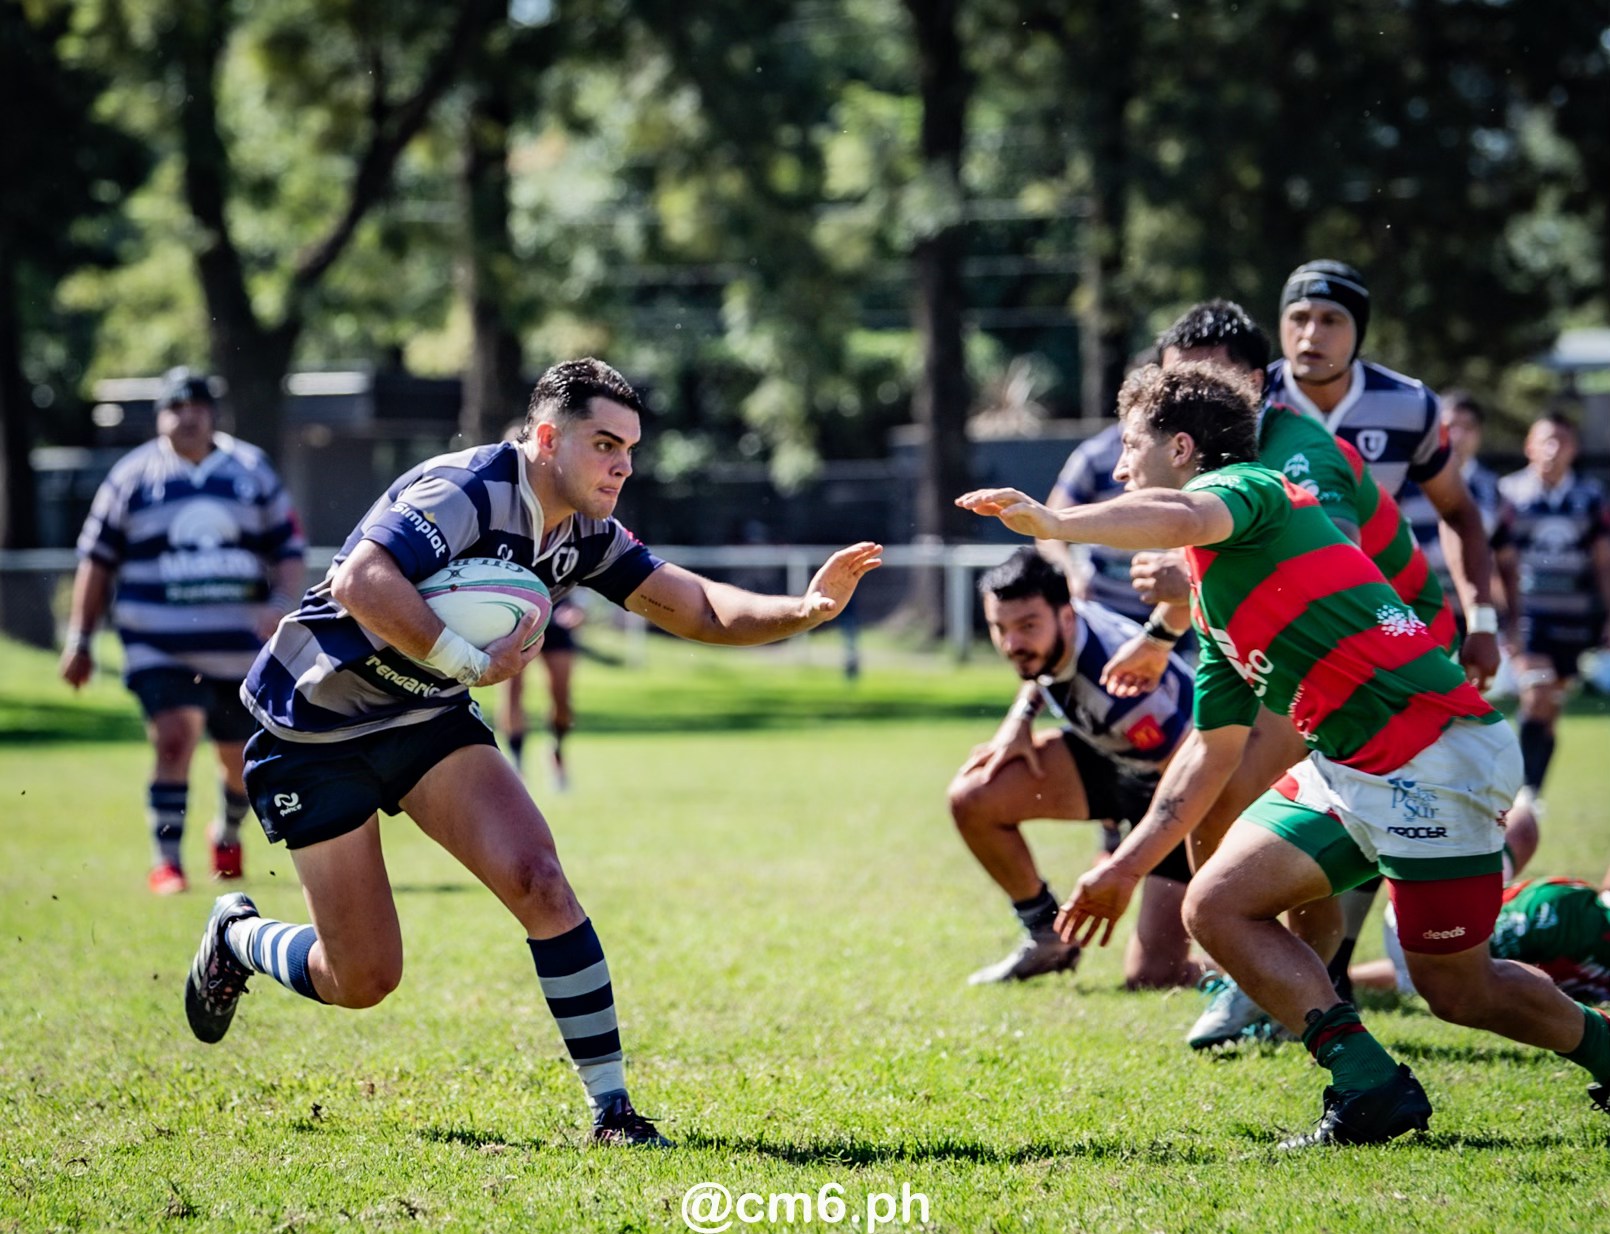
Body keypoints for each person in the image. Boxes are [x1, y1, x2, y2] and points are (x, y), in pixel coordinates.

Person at [183, 358, 881, 1146]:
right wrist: (467, 662)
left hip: (425, 719)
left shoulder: (583, 528)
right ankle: (237, 937)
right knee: (364, 978)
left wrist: (806, 608)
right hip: (312, 727)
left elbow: (697, 609)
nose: (622, 464)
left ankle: (613, 1113)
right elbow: (360, 581)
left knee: (540, 880)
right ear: (547, 437)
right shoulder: (466, 489)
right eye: (604, 444)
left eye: (631, 449)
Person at [958, 362, 1610, 1148]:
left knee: (1457, 989)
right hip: (1354, 766)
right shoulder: (1212, 593)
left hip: (1436, 757)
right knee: (1216, 905)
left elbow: (1182, 511)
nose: (1121, 467)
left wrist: (1058, 524)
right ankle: (1367, 1085)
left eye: (1132, 448)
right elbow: (1208, 750)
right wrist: (1125, 868)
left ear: (1184, 447)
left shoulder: (1257, 490)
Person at [1104, 300, 1457, 1045]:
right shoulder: (1211, 473)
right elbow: (1230, 586)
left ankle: (1266, 983)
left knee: (1233, 791)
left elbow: (1323, 582)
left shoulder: (1296, 455)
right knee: (1222, 782)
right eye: (1173, 388)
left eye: (1206, 382)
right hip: (1316, 661)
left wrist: (1062, 526)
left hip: (1394, 659)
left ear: (1258, 384)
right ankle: (1271, 982)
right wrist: (1162, 631)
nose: (1185, 403)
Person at [1266, 260, 1503, 997]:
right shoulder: (1253, 401)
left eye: (1331, 319)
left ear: (1358, 333)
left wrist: (1482, 617)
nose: (1312, 334)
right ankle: (1262, 964)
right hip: (1282, 636)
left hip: (1391, 636)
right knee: (1267, 784)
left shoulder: (1407, 406)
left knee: (1379, 787)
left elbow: (1460, 512)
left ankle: (1325, 967)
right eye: (1299, 317)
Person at [60, 367, 305, 894]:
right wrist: (80, 638)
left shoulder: (250, 469)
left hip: (239, 649)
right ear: (160, 418)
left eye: (197, 406)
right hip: (159, 644)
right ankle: (166, 860)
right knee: (174, 739)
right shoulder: (131, 478)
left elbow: (287, 551)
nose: (187, 416)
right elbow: (96, 561)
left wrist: (281, 604)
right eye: (175, 407)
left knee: (239, 762)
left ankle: (227, 830)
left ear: (213, 413)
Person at [948, 548, 1197, 989]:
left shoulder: (1123, 686)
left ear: (1064, 617)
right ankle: (1046, 936)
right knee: (974, 795)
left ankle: (1240, 976)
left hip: (1178, 792)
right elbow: (1041, 665)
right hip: (1112, 757)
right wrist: (1019, 720)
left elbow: (1192, 772)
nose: (1011, 644)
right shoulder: (1062, 619)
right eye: (998, 628)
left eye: (1026, 626)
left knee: (1155, 975)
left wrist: (1122, 860)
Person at [1495, 412, 1610, 811]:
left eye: (1561, 441)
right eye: (1544, 440)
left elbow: (1603, 562)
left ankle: (1534, 792)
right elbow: (1496, 561)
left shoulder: (1590, 498)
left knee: (1551, 706)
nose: (1552, 449)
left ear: (1574, 449)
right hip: (1530, 616)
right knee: (1536, 692)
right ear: (1528, 446)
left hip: (1576, 621)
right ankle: (1525, 789)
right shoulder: (1507, 494)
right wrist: (1503, 619)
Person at [1354, 877, 1610, 1006]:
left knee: (1434, 966)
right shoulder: (1569, 918)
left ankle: (1340, 978)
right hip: (1433, 930)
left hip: (1429, 944)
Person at [1397, 391, 1504, 605]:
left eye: (1468, 428)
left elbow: (1504, 556)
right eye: (1450, 426)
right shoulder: (1404, 479)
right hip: (1414, 603)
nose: (1458, 436)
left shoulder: (1492, 488)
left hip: (1470, 605)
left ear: (1479, 434)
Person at [500, 597, 584, 791]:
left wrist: (577, 609)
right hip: (517, 617)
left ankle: (557, 753)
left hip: (556, 616)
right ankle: (517, 766)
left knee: (561, 699)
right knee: (513, 693)